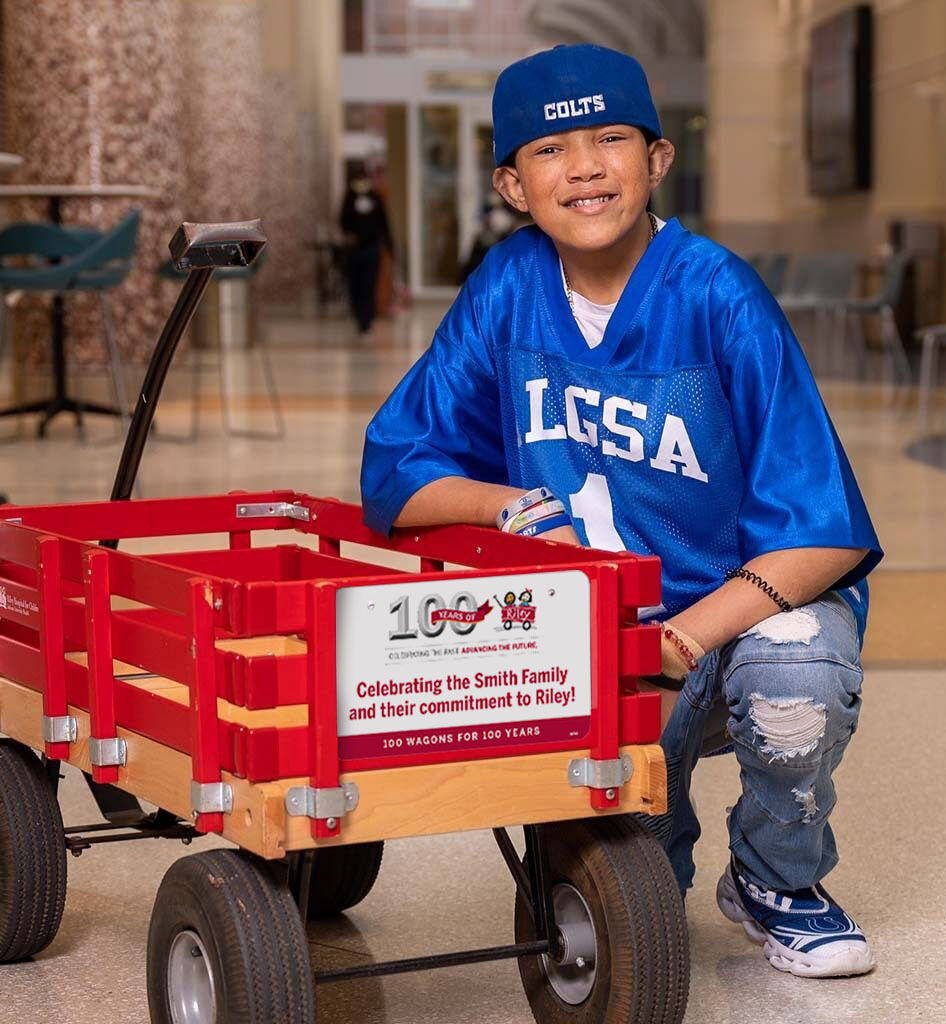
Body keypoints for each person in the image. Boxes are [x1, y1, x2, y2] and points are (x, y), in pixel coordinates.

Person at [360, 43, 882, 979]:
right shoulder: (506, 291)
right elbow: (399, 473)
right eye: (553, 150)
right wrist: (512, 504)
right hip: (588, 641)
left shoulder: (719, 294)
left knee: (796, 679)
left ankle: (778, 878)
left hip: (731, 626)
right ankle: (661, 837)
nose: (588, 167)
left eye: (610, 139)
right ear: (515, 186)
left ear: (657, 159)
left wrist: (681, 642)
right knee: (634, 913)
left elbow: (825, 530)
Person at [339, 164, 392, 333]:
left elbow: (383, 223)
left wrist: (389, 245)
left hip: (371, 248)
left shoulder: (375, 197)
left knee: (369, 284)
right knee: (355, 284)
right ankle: (358, 314)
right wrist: (349, 234)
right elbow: (342, 220)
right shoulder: (349, 197)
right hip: (354, 249)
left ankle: (366, 319)